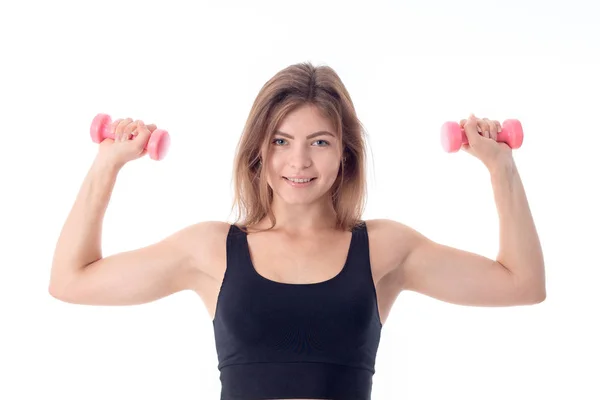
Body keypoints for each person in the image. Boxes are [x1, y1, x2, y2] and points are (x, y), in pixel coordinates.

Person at [49, 62, 546, 400]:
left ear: (344, 152)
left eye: (320, 141)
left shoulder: (384, 249)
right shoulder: (211, 250)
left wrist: (500, 168)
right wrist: (107, 165)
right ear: (258, 150)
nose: (299, 161)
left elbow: (521, 284)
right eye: (281, 140)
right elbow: (71, 281)